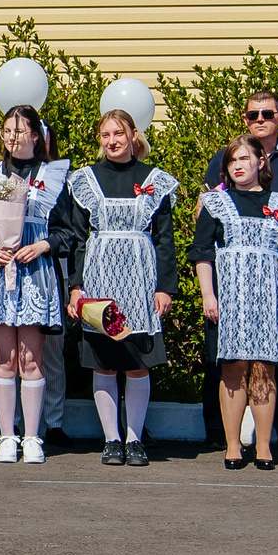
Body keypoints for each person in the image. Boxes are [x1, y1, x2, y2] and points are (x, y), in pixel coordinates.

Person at [51, 108, 181, 466]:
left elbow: (165, 240)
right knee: (104, 363)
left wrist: (164, 287)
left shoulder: (153, 179)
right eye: (106, 135)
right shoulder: (86, 179)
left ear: (133, 135)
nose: (112, 141)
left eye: (119, 134)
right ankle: (111, 439)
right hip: (99, 277)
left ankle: (135, 438)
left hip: (140, 278)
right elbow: (78, 239)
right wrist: (76, 287)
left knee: (137, 363)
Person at [198, 91, 278, 456]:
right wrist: (208, 295)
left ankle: (264, 447)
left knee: (265, 369)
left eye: (245, 158)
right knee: (232, 368)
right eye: (232, 159)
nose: (238, 165)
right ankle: (233, 446)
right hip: (228, 297)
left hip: (269, 297)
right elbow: (202, 252)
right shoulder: (216, 203)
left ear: (260, 162)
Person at [0, 105, 67, 463]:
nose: (13, 137)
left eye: (20, 131)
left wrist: (42, 245)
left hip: (35, 271)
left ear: (36, 136)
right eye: (7, 130)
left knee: (31, 357)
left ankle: (33, 437)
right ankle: (7, 435)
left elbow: (68, 230)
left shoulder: (53, 175)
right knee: (5, 357)